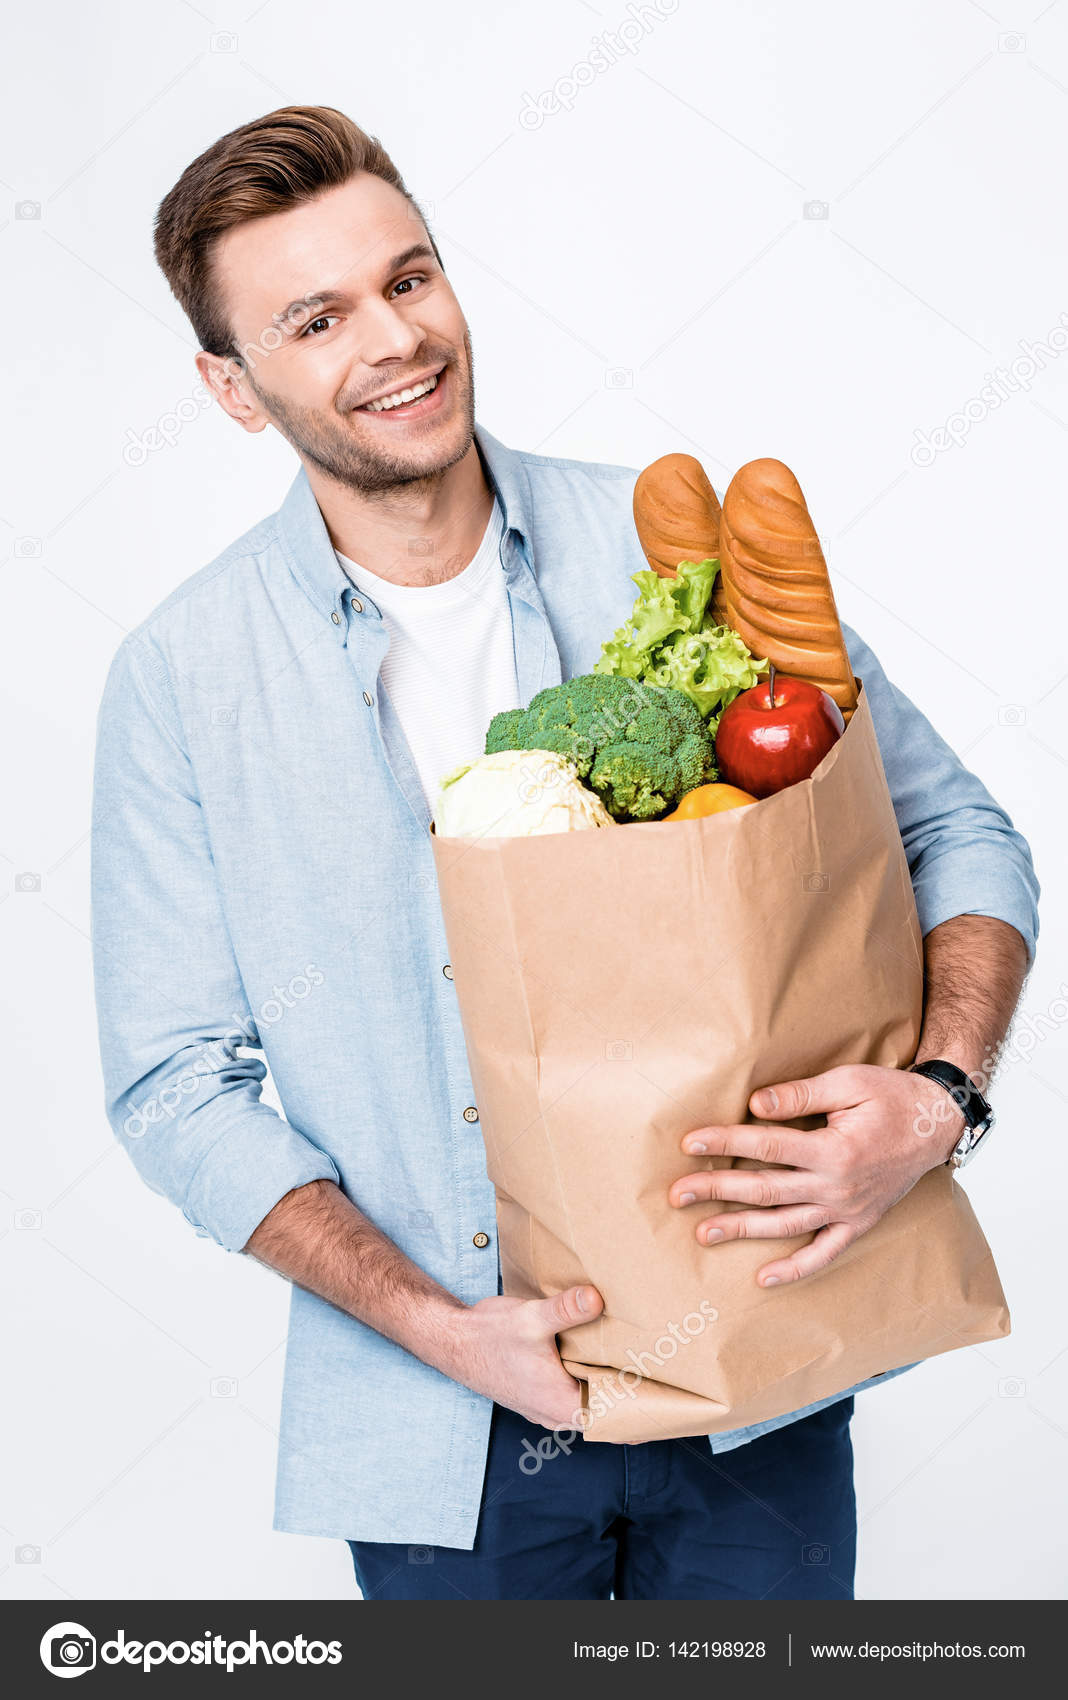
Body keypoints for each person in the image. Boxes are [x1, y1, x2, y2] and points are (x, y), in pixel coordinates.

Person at [91, 105, 1038, 1601]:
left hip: (758, 1380)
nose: (394, 339)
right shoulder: (184, 677)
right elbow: (173, 1087)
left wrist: (936, 1101)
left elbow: (954, 829)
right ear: (230, 384)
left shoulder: (677, 557)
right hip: (435, 1432)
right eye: (317, 317)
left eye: (410, 279)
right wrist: (431, 1322)